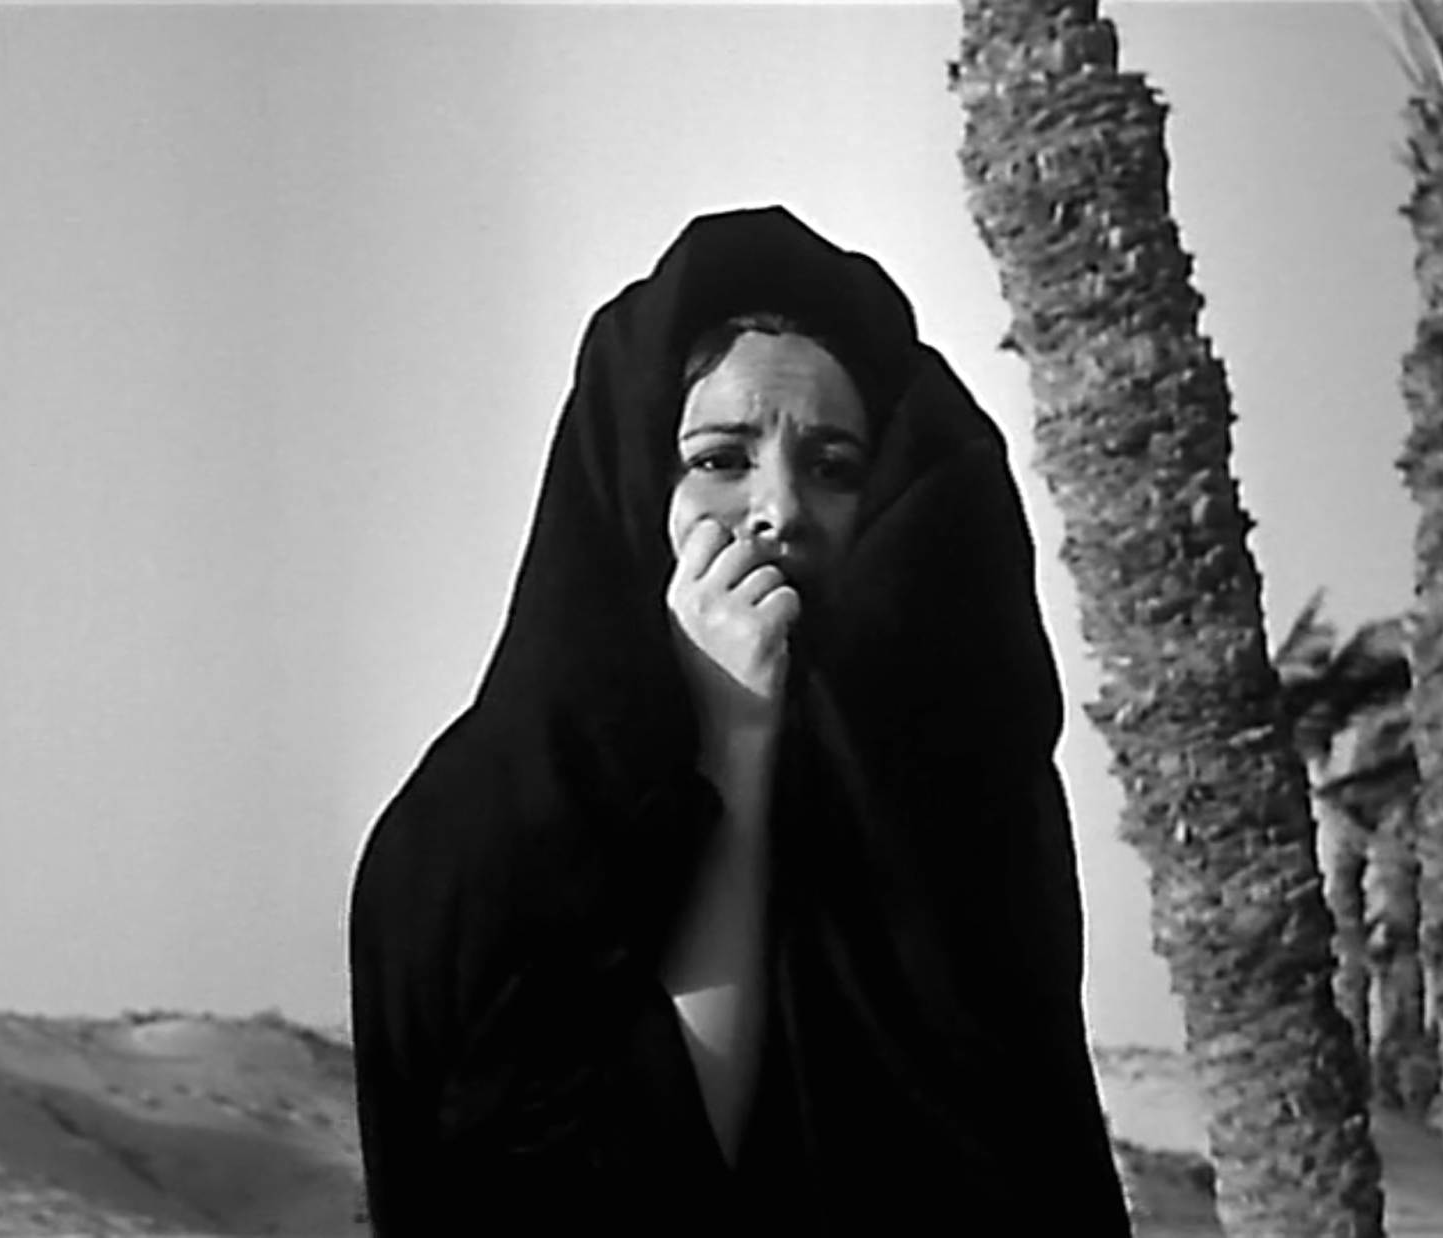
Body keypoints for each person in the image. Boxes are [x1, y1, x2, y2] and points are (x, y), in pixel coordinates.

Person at [347, 205, 1134, 1235]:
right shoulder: (485, 831)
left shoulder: (949, 802)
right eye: (721, 458)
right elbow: (634, 1180)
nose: (781, 508)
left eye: (833, 467)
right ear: (637, 482)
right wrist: (734, 745)